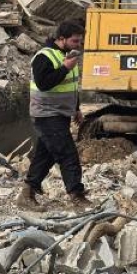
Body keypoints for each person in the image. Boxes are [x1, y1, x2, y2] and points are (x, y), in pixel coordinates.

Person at [20, 21, 88, 209]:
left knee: (45, 156)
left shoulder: (67, 56)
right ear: (61, 39)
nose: (78, 45)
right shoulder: (44, 56)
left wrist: (76, 108)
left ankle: (27, 194)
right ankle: (77, 195)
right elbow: (44, 83)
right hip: (46, 114)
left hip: (60, 114)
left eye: (80, 41)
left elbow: (71, 85)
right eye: (75, 41)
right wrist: (65, 67)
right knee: (67, 154)